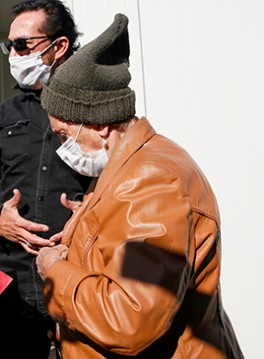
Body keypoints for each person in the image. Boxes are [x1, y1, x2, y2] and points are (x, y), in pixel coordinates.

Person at [36, 13, 244, 359]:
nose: (62, 147)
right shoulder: (132, 167)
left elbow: (128, 318)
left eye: (63, 135)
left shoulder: (152, 181)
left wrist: (54, 269)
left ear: (99, 125)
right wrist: (90, 224)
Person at [0, 0, 91, 357]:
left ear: (59, 46)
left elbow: (121, 182)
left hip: (80, 279)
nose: (12, 54)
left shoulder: (95, 109)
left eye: (22, 45)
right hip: (12, 288)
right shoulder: (7, 114)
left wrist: (92, 209)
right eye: (9, 46)